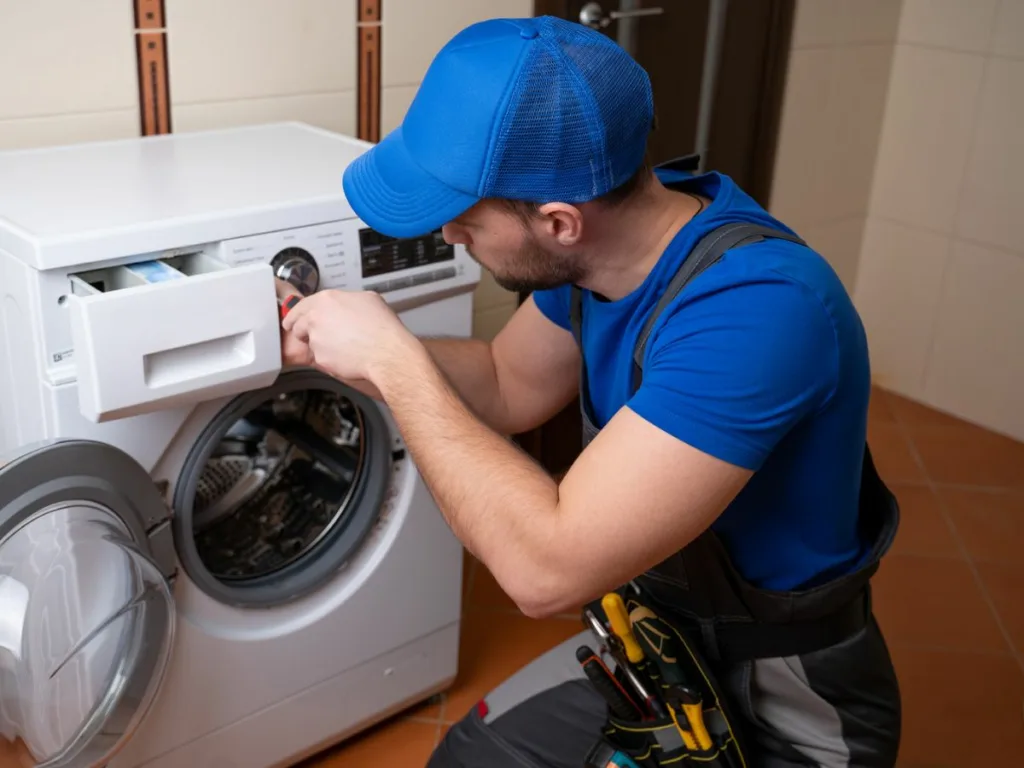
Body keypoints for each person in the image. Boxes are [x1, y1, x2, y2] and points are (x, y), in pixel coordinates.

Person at [278, 14, 902, 768]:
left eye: (465, 220)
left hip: (784, 696)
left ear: (560, 222)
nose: (450, 237)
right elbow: (509, 385)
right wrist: (347, 350)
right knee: (469, 759)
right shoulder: (607, 255)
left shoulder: (759, 311)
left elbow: (544, 571)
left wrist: (394, 365)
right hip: (656, 646)